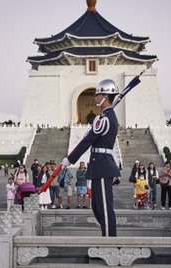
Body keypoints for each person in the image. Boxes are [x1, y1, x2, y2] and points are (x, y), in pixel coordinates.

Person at [61, 78, 121, 237]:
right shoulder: (104, 117)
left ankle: (110, 242)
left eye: (97, 95)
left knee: (105, 209)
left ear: (105, 97)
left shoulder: (105, 118)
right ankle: (106, 238)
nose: (95, 98)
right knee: (97, 208)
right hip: (97, 166)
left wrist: (70, 159)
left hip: (102, 166)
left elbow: (87, 141)